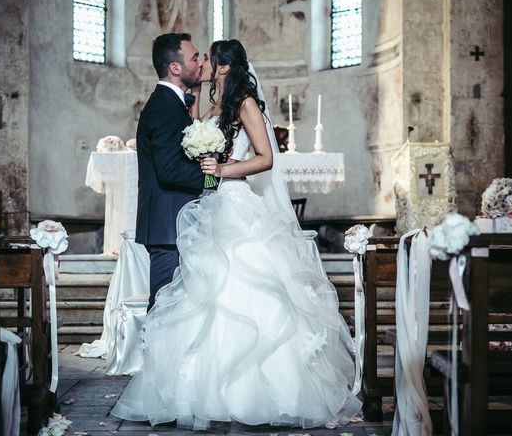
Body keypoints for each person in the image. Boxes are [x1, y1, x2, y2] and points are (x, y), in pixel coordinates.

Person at [112, 39, 361, 429]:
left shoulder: (245, 103)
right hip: (209, 206)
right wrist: (205, 155)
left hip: (236, 204)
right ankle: (199, 391)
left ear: (225, 67)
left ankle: (257, 391)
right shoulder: (210, 107)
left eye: (208, 57)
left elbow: (265, 159)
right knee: (202, 292)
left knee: (246, 289)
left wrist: (223, 170)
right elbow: (190, 149)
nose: (203, 62)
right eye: (198, 57)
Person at [135, 32, 206, 311]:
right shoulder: (165, 106)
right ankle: (154, 356)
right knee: (164, 307)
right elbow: (169, 171)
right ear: (175, 68)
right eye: (194, 57)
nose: (200, 63)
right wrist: (216, 176)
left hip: (172, 222)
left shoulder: (174, 103)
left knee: (176, 307)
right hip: (168, 227)